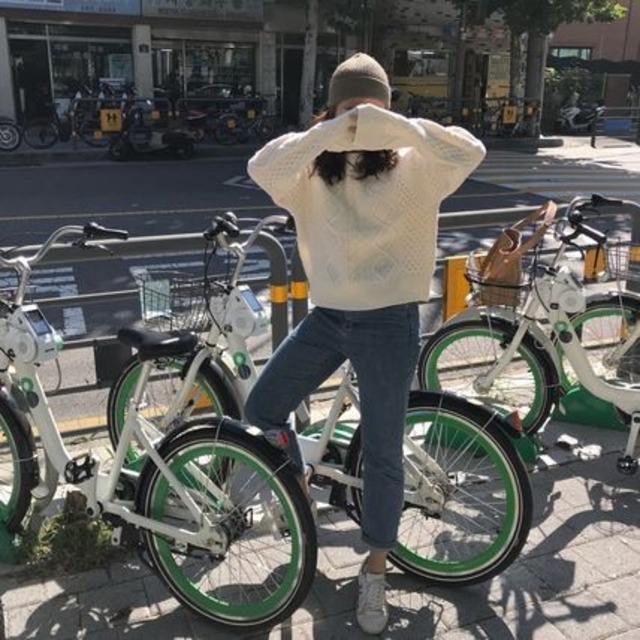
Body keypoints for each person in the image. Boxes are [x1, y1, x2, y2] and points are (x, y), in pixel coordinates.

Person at [245, 52, 485, 635]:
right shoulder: (310, 169)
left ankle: (375, 567)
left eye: (373, 110)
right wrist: (331, 131)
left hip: (390, 320)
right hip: (328, 316)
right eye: (350, 109)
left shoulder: (417, 164)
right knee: (263, 407)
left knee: (382, 451)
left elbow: (470, 150)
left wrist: (395, 126)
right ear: (330, 111)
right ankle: (301, 494)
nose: (361, 124)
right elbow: (260, 166)